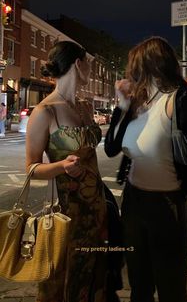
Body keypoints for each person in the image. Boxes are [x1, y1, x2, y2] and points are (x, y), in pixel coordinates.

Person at [25, 41, 119, 302]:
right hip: (66, 214)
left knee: (94, 277)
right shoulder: (45, 111)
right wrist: (61, 166)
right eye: (88, 62)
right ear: (79, 64)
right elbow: (32, 169)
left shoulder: (84, 107)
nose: (89, 68)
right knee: (66, 279)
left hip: (96, 208)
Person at [105, 36, 187, 302]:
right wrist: (122, 105)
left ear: (152, 65)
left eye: (135, 66)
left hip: (166, 206)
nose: (130, 73)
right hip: (133, 202)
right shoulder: (135, 103)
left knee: (171, 290)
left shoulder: (177, 100)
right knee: (139, 287)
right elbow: (111, 148)